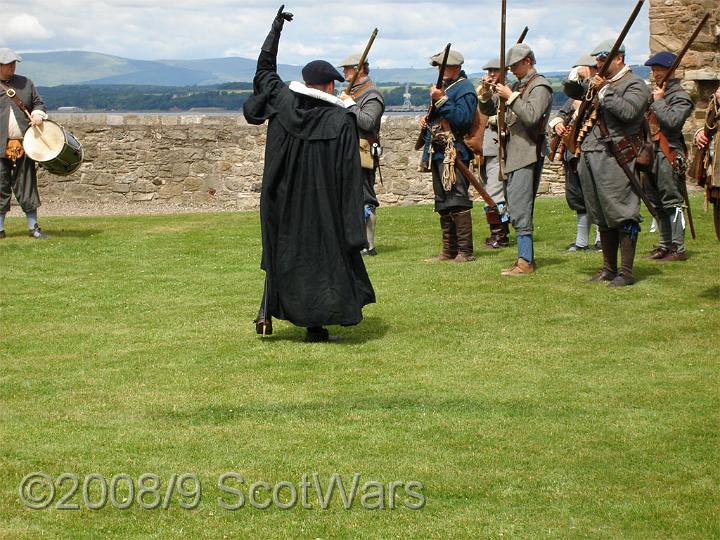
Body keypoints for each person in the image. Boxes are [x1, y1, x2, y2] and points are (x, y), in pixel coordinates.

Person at [243, 6, 375, 343]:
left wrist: (275, 31)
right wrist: (352, 222)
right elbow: (349, 175)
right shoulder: (341, 120)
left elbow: (264, 70)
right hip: (324, 205)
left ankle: (270, 312)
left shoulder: (281, 102)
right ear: (330, 84)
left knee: (284, 252)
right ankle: (316, 326)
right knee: (323, 261)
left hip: (283, 199)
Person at [564, 40, 651, 287]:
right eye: (598, 60)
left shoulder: (634, 84)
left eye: (603, 60)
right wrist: (576, 78)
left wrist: (604, 91)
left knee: (622, 212)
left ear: (619, 59)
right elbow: (573, 92)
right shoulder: (599, 83)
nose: (599, 64)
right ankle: (608, 268)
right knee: (600, 213)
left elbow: (628, 112)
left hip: (617, 157)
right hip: (591, 155)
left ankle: (626, 271)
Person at [479, 43, 553, 275]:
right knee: (516, 204)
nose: (511, 70)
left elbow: (531, 116)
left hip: (527, 152)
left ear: (528, 61)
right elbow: (492, 109)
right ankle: (523, 258)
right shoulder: (518, 85)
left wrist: (511, 97)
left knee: (521, 206)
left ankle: (526, 261)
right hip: (514, 153)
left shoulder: (540, 86)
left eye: (515, 65)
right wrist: (486, 94)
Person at [420, 48, 478, 262]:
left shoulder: (465, 89)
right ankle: (449, 251)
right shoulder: (446, 88)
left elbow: (462, 120)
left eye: (443, 66)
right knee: (443, 202)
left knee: (458, 200)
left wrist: (442, 100)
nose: (440, 70)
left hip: (455, 151)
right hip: (438, 151)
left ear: (456, 67)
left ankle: (465, 251)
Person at [642, 51, 694, 262]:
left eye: (658, 70)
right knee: (655, 202)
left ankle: (678, 248)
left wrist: (659, 102)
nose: (655, 74)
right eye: (653, 70)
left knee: (672, 201)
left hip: (668, 152)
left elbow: (673, 122)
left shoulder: (680, 97)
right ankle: (664, 245)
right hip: (651, 153)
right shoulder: (655, 94)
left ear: (669, 71)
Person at [551, 53, 602, 252]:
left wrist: (583, 107)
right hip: (573, 154)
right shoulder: (577, 95)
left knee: (596, 196)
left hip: (593, 152)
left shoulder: (600, 91)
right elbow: (561, 114)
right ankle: (581, 242)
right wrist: (558, 124)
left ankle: (600, 240)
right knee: (577, 198)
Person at [337, 52, 385, 256]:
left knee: (365, 198)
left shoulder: (372, 94)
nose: (344, 72)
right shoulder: (353, 92)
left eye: (348, 68)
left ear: (360, 69)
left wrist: (349, 104)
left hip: (363, 151)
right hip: (348, 150)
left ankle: (368, 245)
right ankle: (355, 241)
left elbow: (367, 122)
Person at [0, 48, 49, 240]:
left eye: (14, 64)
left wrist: (37, 115)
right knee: (0, 186)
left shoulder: (26, 83)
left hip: (25, 144)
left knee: (27, 184)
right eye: (8, 64)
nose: (12, 67)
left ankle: (33, 226)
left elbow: (38, 103)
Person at [476, 58, 511, 249]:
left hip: (502, 148)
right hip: (488, 148)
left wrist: (497, 119)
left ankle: (500, 234)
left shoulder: (510, 90)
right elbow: (485, 109)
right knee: (491, 192)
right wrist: (485, 93)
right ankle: (499, 232)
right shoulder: (490, 92)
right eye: (489, 71)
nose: (491, 74)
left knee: (494, 194)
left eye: (494, 71)